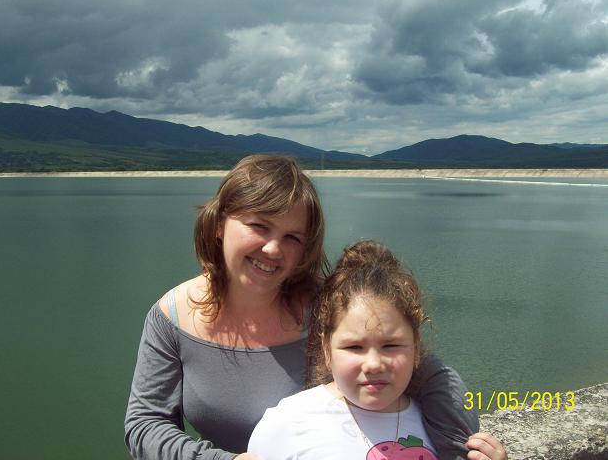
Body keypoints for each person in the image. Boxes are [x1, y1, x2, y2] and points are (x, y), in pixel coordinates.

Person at [124, 155, 480, 460]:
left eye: (292, 237)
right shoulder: (172, 317)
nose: (273, 249)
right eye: (259, 226)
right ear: (219, 225)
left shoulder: (329, 307)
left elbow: (431, 374)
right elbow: (145, 424)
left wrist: (457, 449)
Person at [248, 240, 506, 460]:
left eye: (391, 345)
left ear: (416, 347)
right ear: (326, 349)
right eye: (354, 346)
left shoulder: (437, 423)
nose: (373, 364)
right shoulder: (287, 423)